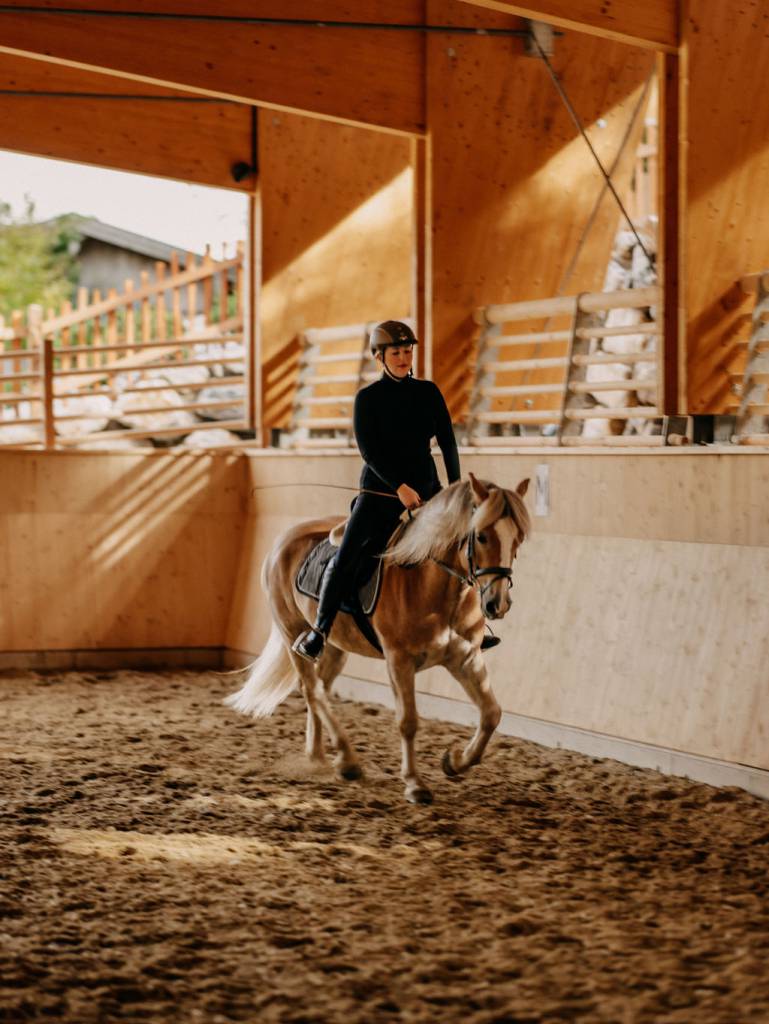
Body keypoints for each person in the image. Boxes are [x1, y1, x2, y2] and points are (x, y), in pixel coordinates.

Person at [292, 319, 461, 662]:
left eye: (407, 350)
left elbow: (447, 441)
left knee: (463, 547)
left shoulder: (428, 392)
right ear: (379, 357)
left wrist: (454, 487)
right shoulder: (368, 399)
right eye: (396, 352)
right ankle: (319, 631)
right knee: (345, 557)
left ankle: (471, 624)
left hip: (428, 492)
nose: (403, 357)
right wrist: (399, 488)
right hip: (381, 495)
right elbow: (370, 451)